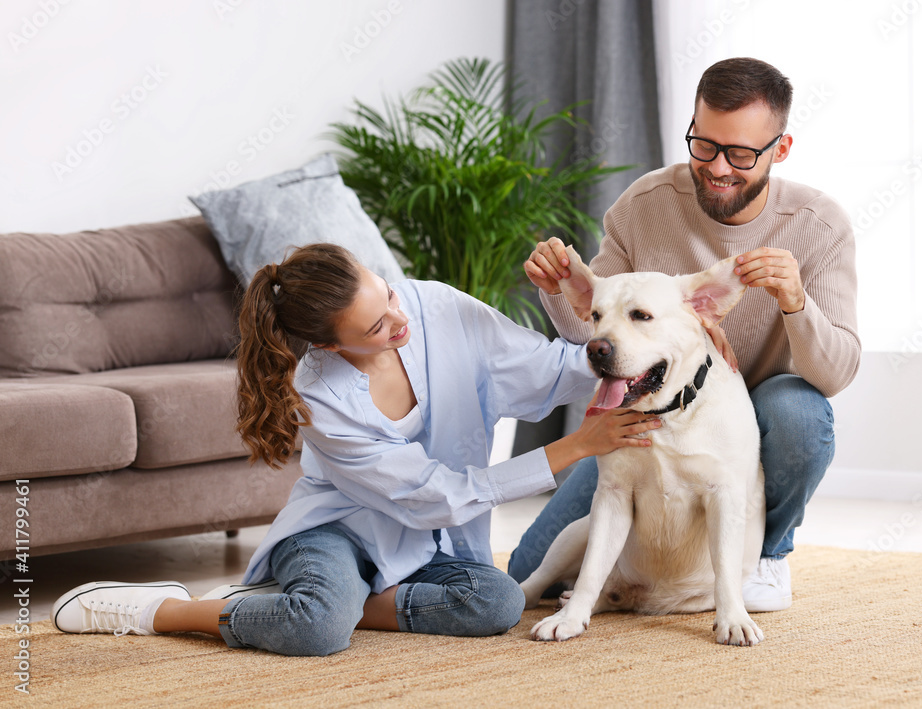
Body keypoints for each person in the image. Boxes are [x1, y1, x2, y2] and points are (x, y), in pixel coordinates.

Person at [51, 243, 663, 656]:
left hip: (427, 544)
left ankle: (322, 598)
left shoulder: (435, 306)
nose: (400, 320)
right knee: (317, 630)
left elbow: (551, 369)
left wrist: (630, 336)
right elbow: (435, 496)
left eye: (387, 297)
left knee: (497, 602)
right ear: (329, 345)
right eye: (374, 327)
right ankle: (167, 610)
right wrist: (576, 447)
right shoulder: (319, 396)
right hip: (340, 533)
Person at [509, 57, 860, 612]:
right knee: (527, 573)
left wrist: (795, 303)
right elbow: (595, 331)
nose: (718, 167)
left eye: (741, 153)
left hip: (753, 413)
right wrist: (557, 286)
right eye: (704, 145)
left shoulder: (819, 225)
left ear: (781, 149)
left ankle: (765, 556)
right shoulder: (643, 206)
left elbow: (836, 373)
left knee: (802, 411)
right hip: (654, 405)